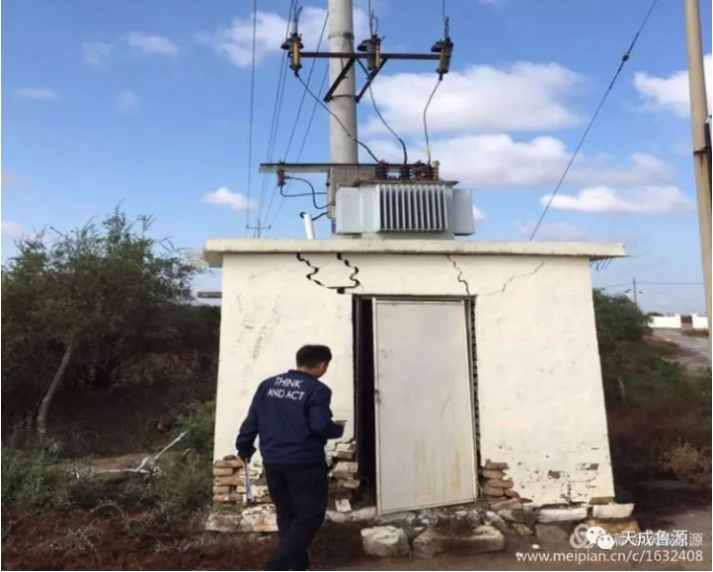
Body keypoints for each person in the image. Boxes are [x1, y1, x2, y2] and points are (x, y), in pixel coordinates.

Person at [236, 344, 345, 571]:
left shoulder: (267, 385)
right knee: (310, 516)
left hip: (273, 462)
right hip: (305, 463)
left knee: (287, 514)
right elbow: (320, 425)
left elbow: (252, 420)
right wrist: (337, 429)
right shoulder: (317, 390)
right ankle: (275, 567)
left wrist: (244, 448)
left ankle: (297, 566)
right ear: (321, 365)